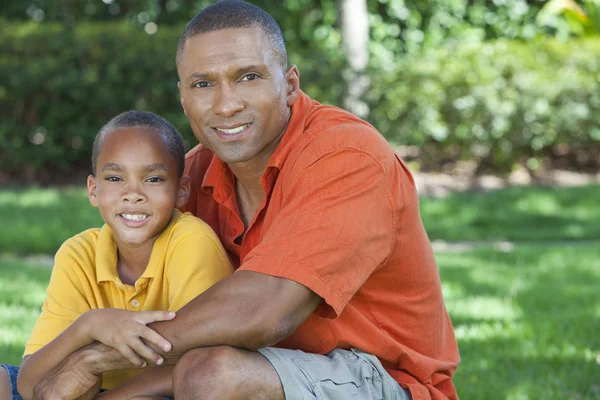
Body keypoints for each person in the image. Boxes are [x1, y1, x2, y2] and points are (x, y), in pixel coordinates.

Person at [27, 1, 461, 399]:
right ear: (183, 97)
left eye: (248, 77)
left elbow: (266, 308)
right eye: (203, 84)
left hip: (384, 377)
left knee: (212, 375)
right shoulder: (190, 174)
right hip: (263, 365)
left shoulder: (347, 155)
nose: (226, 104)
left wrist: (98, 357)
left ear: (290, 84)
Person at [0, 110, 233, 400]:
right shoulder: (78, 253)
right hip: (79, 387)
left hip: (160, 391)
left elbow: (201, 366)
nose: (132, 193)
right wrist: (89, 325)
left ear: (181, 190)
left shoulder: (191, 242)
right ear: (94, 190)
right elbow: (28, 383)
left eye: (153, 179)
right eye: (114, 177)